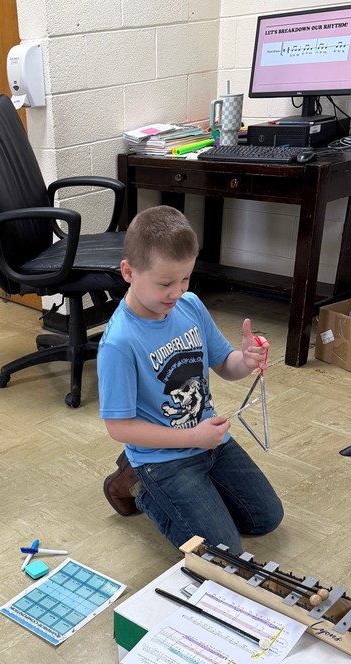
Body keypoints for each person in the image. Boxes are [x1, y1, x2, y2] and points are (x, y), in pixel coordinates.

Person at [97, 206, 283, 555]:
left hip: (210, 441)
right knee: (223, 553)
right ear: (128, 272)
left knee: (266, 518)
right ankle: (140, 487)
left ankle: (192, 493)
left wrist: (246, 360)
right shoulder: (119, 343)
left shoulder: (191, 305)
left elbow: (225, 365)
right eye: (165, 283)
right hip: (162, 458)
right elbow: (118, 427)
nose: (177, 292)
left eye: (185, 279)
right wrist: (191, 437)